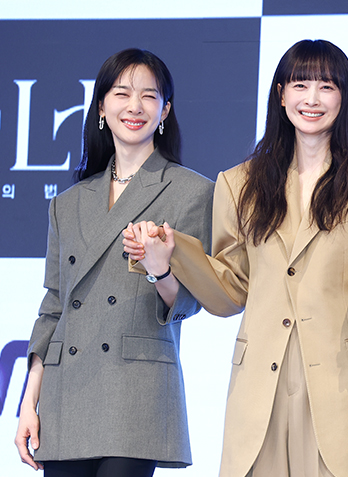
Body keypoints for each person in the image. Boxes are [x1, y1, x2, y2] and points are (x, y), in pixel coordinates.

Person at [123, 39, 348, 477]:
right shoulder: (238, 183)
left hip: (341, 384)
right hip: (260, 384)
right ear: (281, 94)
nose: (312, 99)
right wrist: (173, 253)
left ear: (345, 97)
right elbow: (229, 292)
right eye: (300, 85)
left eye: (327, 87)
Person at [14, 48, 214, 477]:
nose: (135, 106)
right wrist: (29, 402)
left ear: (165, 111)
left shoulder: (192, 191)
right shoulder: (67, 204)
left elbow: (190, 302)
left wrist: (160, 269)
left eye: (149, 95)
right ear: (102, 107)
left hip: (135, 391)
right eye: (122, 93)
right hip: (65, 395)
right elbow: (54, 309)